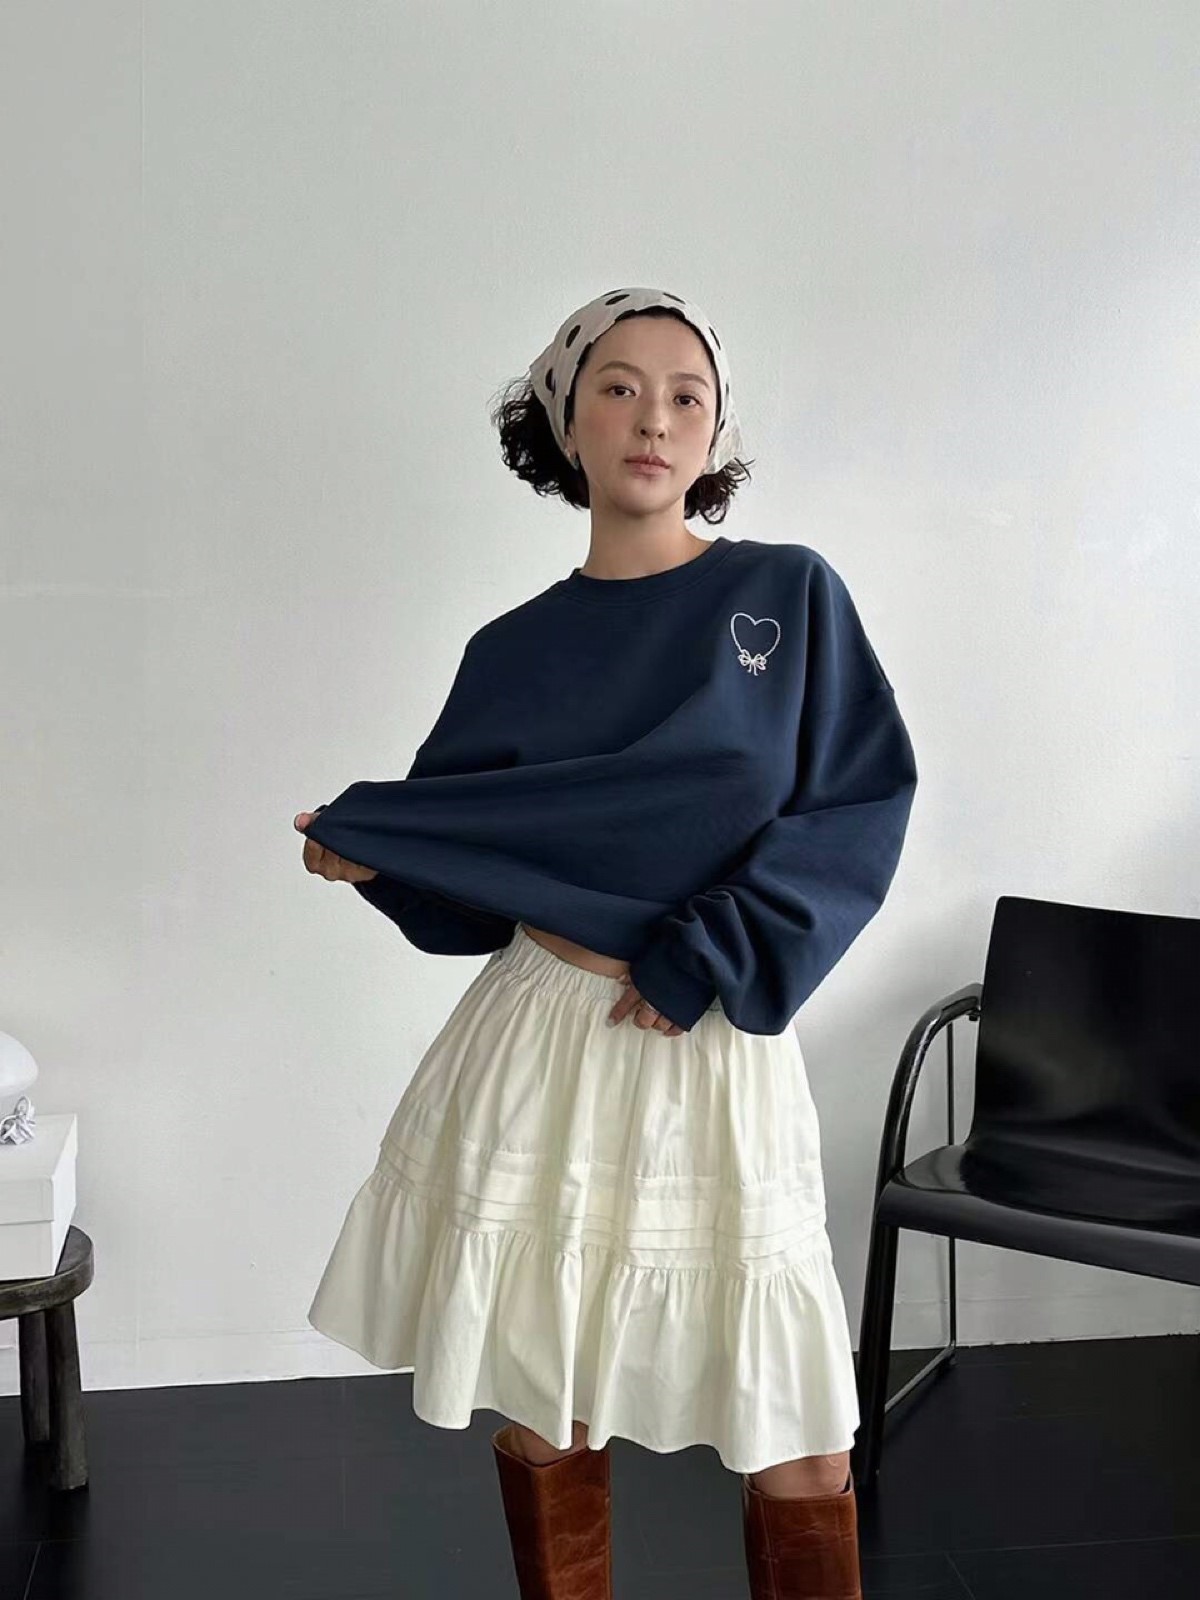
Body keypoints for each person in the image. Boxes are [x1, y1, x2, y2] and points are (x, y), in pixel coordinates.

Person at [298, 287, 918, 1599]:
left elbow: (855, 807)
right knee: (553, 1406)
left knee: (801, 1438)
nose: (655, 418)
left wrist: (709, 957)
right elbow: (475, 881)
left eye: (687, 395)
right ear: (564, 421)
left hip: (714, 1039)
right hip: (546, 1041)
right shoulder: (514, 650)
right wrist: (377, 863)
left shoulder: (787, 594)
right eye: (620, 387)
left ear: (715, 433)